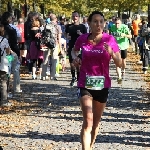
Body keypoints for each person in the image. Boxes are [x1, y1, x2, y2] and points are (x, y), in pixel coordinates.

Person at [71, 11, 122, 150]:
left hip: (102, 85)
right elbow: (74, 50)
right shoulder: (82, 39)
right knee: (88, 121)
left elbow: (120, 64)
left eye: (101, 21)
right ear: (89, 23)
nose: (98, 24)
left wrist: (112, 53)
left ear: (104, 23)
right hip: (85, 83)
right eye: (95, 21)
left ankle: (90, 146)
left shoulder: (109, 39)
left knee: (95, 123)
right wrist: (75, 58)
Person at [66, 11, 87, 86]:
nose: (75, 18)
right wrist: (67, 37)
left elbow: (86, 37)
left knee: (78, 64)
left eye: (76, 16)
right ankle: (73, 77)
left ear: (79, 17)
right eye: (73, 16)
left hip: (80, 47)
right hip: (71, 46)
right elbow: (66, 35)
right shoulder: (69, 26)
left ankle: (79, 80)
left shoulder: (82, 26)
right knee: (72, 64)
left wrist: (80, 34)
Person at [110, 17, 132, 83]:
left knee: (123, 61)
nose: (117, 25)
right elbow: (110, 35)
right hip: (116, 47)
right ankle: (119, 77)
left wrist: (124, 35)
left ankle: (123, 70)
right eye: (116, 23)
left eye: (118, 24)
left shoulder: (125, 27)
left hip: (123, 46)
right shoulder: (112, 27)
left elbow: (130, 36)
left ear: (121, 23)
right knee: (117, 62)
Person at [0, 24, 11, 106]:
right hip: (2, 64)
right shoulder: (4, 40)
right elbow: (8, 52)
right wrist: (11, 61)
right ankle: (4, 101)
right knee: (3, 82)